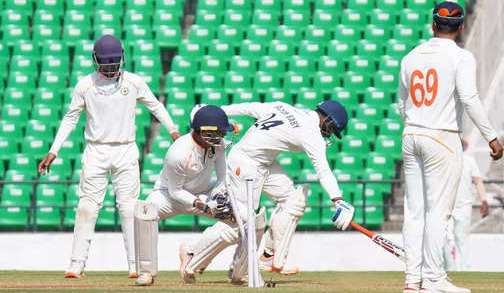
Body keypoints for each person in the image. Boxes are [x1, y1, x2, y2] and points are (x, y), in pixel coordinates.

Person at [37, 35, 181, 278]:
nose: (111, 69)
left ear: (122, 59)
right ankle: (76, 264)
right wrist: (54, 150)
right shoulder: (85, 85)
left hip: (126, 149)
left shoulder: (133, 82)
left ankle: (136, 266)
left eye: (115, 64)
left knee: (128, 208)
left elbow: (155, 105)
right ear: (96, 61)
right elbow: (70, 118)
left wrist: (173, 130)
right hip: (96, 151)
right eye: (106, 65)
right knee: (87, 207)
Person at [177, 100, 355, 284]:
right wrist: (337, 199)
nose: (329, 135)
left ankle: (268, 255)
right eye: (332, 130)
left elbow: (246, 107)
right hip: (245, 164)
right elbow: (323, 170)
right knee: (242, 221)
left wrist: (216, 110)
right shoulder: (311, 134)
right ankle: (193, 253)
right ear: (327, 120)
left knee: (294, 200)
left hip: (263, 162)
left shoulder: (282, 107)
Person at [398, 2, 504, 293]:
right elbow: (469, 98)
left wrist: (417, 122)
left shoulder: (410, 57)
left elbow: (400, 104)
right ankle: (433, 280)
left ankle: (412, 281)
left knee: (414, 212)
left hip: (411, 135)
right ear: (461, 27)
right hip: (442, 137)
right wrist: (492, 137)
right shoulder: (461, 57)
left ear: (432, 25)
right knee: (437, 213)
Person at [134, 105, 239, 286]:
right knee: (145, 212)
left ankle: (196, 254)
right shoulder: (178, 153)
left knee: (242, 220)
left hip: (204, 192)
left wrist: (218, 196)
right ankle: (146, 273)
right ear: (205, 132)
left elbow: (223, 177)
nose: (223, 136)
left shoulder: (218, 146)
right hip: (169, 196)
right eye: (220, 132)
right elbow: (176, 191)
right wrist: (202, 205)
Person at [444, 137, 489, 271]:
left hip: (464, 206)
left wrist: (484, 201)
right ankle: (449, 269)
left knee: (461, 239)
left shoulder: (469, 161)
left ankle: (464, 270)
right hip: (446, 206)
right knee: (445, 239)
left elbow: (478, 182)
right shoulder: (444, 160)